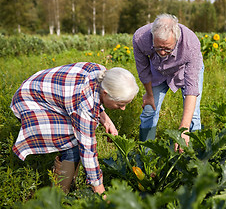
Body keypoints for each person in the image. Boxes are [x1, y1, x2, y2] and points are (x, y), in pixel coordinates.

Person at [10, 62, 139, 195]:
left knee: (75, 140)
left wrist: (106, 120)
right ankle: (58, 197)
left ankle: (68, 184)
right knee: (72, 145)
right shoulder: (84, 104)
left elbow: (94, 98)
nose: (123, 108)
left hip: (38, 88)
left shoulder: (103, 74)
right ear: (106, 93)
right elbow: (88, 150)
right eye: (120, 104)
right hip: (31, 101)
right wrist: (99, 189)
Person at [133, 13, 204, 151]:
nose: (163, 52)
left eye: (167, 48)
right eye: (159, 48)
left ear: (176, 40)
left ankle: (194, 154)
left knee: (193, 114)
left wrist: (183, 128)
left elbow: (191, 88)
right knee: (149, 110)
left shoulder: (191, 44)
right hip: (158, 71)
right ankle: (145, 154)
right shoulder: (140, 38)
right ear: (152, 36)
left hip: (184, 71)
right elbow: (143, 70)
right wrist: (149, 94)